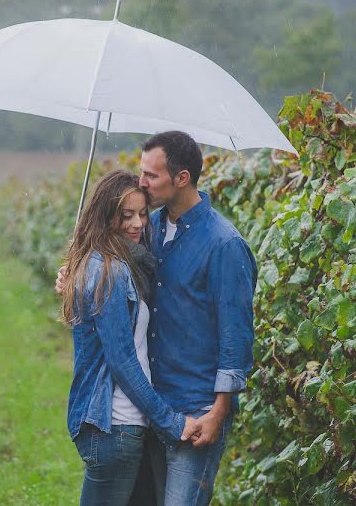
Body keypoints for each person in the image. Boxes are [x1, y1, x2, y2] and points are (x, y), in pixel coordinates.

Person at [57, 131, 256, 505]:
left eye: (151, 175)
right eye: (141, 173)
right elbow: (110, 282)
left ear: (181, 178)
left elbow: (236, 337)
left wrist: (220, 410)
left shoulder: (224, 244)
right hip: (149, 407)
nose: (142, 183)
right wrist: (75, 274)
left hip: (194, 410)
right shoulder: (148, 230)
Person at [61, 169, 200, 506]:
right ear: (106, 216)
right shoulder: (112, 270)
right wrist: (171, 421)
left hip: (112, 427)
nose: (138, 224)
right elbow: (122, 359)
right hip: (117, 425)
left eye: (141, 214)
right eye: (126, 216)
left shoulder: (107, 264)